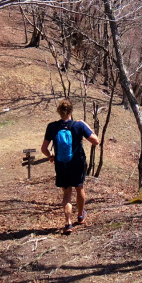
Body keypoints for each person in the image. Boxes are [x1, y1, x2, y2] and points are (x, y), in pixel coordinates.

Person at [42, 99, 100, 234]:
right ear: (71, 111)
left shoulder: (52, 127)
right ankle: (80, 215)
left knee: (67, 192)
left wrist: (51, 156)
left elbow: (44, 148)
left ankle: (68, 224)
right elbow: (96, 141)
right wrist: (86, 125)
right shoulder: (78, 125)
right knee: (79, 188)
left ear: (59, 112)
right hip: (77, 163)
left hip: (61, 164)